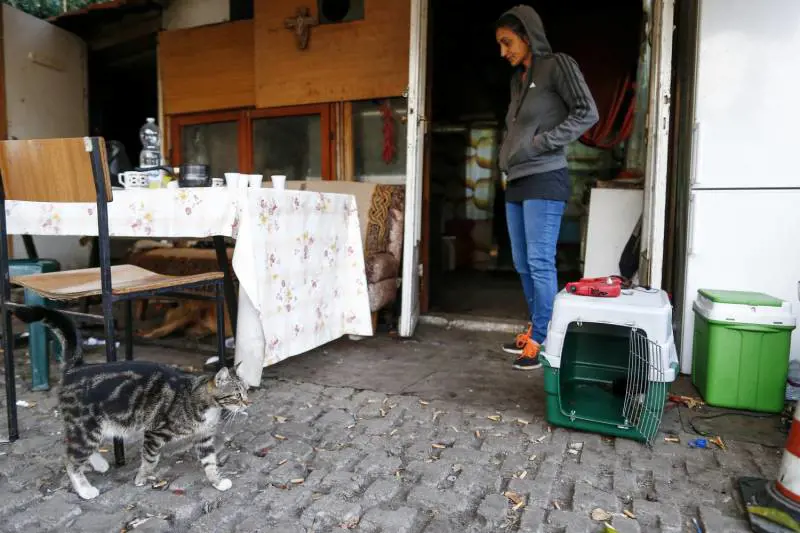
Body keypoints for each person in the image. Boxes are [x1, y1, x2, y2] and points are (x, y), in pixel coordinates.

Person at [495, 5, 598, 370]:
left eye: (508, 42)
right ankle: (537, 328)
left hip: (545, 175)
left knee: (539, 262)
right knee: (522, 263)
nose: (503, 51)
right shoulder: (517, 81)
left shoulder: (557, 65)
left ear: (527, 35)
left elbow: (587, 112)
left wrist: (542, 143)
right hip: (518, 179)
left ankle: (544, 338)